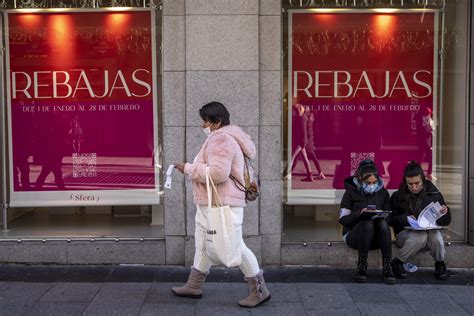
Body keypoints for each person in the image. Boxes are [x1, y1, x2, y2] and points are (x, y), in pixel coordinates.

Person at [172, 101, 271, 308]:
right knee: (202, 243)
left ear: (216, 122)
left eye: (205, 121)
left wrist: (189, 168)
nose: (202, 125)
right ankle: (194, 285)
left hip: (222, 204)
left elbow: (218, 173)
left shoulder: (221, 139)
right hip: (212, 203)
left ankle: (259, 290)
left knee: (236, 246)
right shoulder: (226, 137)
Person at [389, 160, 451, 280]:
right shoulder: (398, 196)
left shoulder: (434, 193)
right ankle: (397, 262)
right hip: (406, 235)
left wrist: (445, 213)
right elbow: (390, 220)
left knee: (436, 236)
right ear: (405, 182)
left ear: (423, 179)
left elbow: (446, 221)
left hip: (429, 234)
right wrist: (405, 218)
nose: (414, 187)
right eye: (410, 184)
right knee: (420, 236)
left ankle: (440, 265)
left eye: (417, 183)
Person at [339, 159, 396, 284]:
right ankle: (362, 265)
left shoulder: (383, 193)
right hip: (354, 236)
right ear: (360, 179)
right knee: (367, 222)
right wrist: (359, 214)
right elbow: (343, 220)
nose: (371, 185)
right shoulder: (350, 193)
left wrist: (384, 215)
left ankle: (387, 266)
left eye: (374, 182)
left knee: (382, 223)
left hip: (377, 239)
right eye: (367, 182)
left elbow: (391, 218)